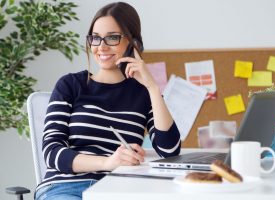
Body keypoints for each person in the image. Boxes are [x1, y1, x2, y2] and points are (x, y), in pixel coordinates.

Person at [35, 2, 181, 200]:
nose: (101, 46)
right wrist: (107, 163)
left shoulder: (143, 93)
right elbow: (52, 152)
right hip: (66, 187)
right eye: (95, 38)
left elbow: (169, 151)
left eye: (112, 38)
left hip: (118, 190)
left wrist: (153, 88)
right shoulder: (70, 85)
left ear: (132, 43)